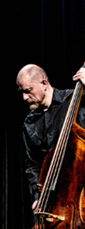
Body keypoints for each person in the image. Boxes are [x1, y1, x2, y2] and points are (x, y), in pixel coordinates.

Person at [17, 64, 85, 205]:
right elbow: (32, 165)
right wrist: (37, 197)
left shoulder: (75, 100)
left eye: (28, 91)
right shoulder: (30, 123)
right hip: (53, 200)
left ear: (44, 84)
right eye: (21, 92)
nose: (24, 97)